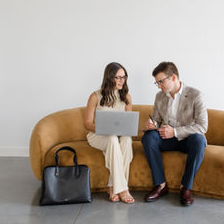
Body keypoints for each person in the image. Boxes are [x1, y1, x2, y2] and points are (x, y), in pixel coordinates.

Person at [141, 62, 208, 206]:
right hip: (167, 139)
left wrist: (175, 132)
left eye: (161, 81)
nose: (159, 86)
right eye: (156, 83)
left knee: (199, 140)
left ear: (173, 77)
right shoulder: (160, 96)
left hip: (187, 140)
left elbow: (202, 126)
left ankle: (186, 187)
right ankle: (161, 185)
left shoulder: (196, 95)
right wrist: (151, 124)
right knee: (148, 137)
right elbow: (156, 120)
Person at [84, 62, 135, 204]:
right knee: (112, 138)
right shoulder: (95, 96)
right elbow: (87, 123)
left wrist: (127, 129)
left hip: (117, 136)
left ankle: (112, 186)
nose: (121, 81)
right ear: (109, 78)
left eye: (123, 77)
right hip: (97, 135)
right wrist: (103, 128)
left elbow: (127, 123)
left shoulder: (127, 97)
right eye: (118, 77)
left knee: (126, 140)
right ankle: (123, 189)